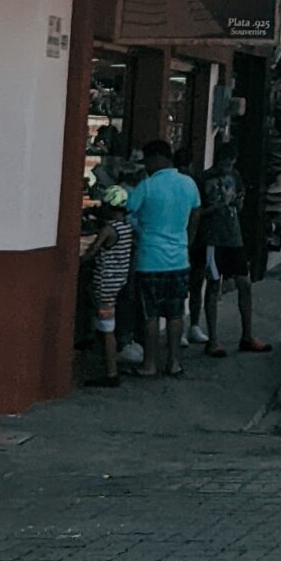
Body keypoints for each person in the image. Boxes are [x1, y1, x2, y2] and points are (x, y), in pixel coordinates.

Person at [126, 140, 201, 379]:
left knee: (150, 314)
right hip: (178, 258)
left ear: (157, 158)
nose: (146, 166)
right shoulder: (188, 184)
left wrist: (140, 229)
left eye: (147, 160)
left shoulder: (147, 186)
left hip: (150, 258)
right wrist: (188, 238)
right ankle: (174, 362)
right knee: (176, 313)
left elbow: (128, 212)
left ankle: (150, 363)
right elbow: (196, 211)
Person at [195, 140, 270, 359]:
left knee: (244, 284)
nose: (228, 166)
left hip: (232, 235)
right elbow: (198, 210)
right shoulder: (204, 179)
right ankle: (214, 340)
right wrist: (217, 206)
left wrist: (236, 203)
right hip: (213, 237)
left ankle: (247, 334)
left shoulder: (235, 177)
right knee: (213, 285)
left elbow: (240, 203)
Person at [88, 185, 134, 387]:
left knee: (107, 329)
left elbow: (94, 249)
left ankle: (110, 372)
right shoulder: (127, 228)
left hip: (105, 285)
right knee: (106, 325)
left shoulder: (109, 229)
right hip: (118, 283)